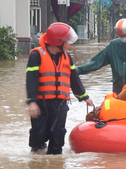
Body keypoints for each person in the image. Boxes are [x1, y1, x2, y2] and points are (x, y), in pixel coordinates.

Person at [26, 22, 93, 154]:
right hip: (41, 103)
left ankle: (55, 161)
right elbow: (31, 80)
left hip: (60, 104)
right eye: (67, 42)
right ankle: (37, 159)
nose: (69, 44)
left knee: (57, 138)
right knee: (39, 137)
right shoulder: (36, 56)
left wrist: (84, 96)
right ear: (58, 41)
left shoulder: (67, 56)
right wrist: (32, 102)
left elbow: (74, 79)